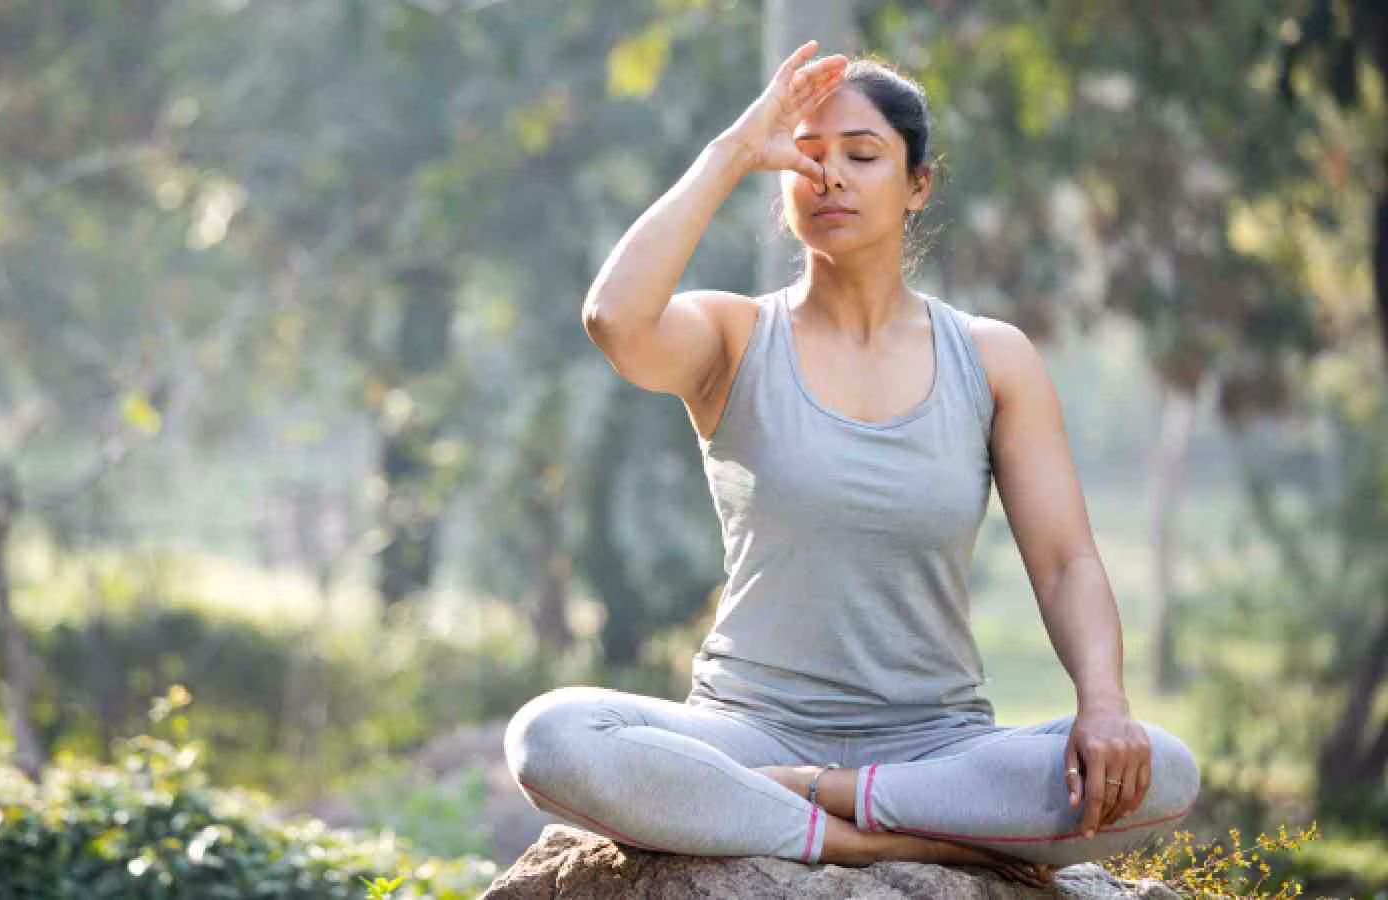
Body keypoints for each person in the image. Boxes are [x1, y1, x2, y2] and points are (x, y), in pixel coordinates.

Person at [502, 40, 1200, 888]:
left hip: (938, 742)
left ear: (918, 186)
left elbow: (1064, 563)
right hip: (747, 733)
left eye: (862, 156)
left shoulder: (992, 358)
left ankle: (826, 800)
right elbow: (614, 318)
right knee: (550, 736)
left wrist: (1104, 703)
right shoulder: (733, 338)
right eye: (806, 156)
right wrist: (733, 151)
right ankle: (867, 837)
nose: (829, 176)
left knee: (1161, 769)